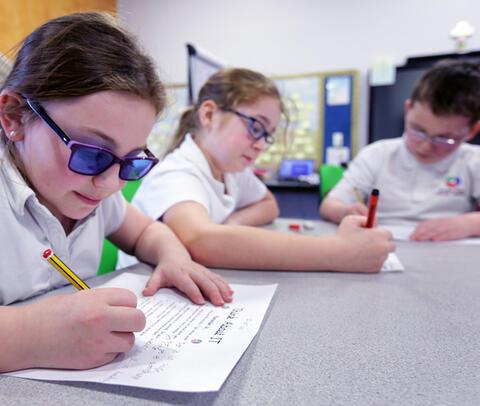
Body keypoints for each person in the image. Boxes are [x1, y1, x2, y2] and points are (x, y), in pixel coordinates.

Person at [0, 12, 233, 373]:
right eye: (91, 153)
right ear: (14, 116)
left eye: (131, 161)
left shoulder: (98, 193)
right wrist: (30, 336)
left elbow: (145, 232)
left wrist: (174, 257)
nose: (111, 184)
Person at [119, 68, 394, 273]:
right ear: (209, 114)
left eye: (268, 134)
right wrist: (340, 252)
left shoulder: (231, 170)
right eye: (256, 127)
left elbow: (268, 204)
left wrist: (234, 224)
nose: (261, 144)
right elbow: (199, 239)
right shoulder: (177, 172)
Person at [320, 59, 480, 242]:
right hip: (383, 242)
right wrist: (345, 211)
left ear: (472, 131)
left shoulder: (473, 160)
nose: (425, 145)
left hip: (451, 252)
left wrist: (468, 224)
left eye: (444, 138)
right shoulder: (377, 154)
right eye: (418, 130)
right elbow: (329, 205)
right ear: (408, 109)